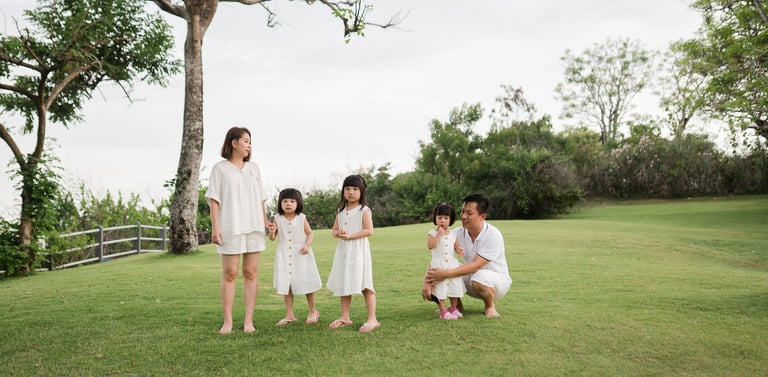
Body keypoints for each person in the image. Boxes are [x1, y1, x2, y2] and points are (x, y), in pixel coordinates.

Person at [205, 126, 272, 334]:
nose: (249, 145)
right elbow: (214, 201)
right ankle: (228, 321)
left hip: (253, 227)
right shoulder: (220, 169)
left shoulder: (254, 169)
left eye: (250, 142)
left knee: (251, 272)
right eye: (246, 141)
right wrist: (215, 228)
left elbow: (261, 200)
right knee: (230, 273)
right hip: (230, 226)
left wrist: (266, 222)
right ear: (234, 143)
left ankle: (248, 321)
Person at [423, 194, 512, 318]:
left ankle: (490, 306)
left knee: (477, 275)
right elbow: (440, 257)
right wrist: (426, 283)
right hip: (472, 278)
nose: (463, 216)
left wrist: (446, 274)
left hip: (496, 283)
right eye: (462, 211)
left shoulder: (493, 235)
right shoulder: (457, 233)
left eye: (469, 213)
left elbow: (476, 266)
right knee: (447, 265)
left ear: (482, 216)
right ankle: (456, 307)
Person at [326, 174, 380, 333]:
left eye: (355, 189)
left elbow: (369, 230)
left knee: (365, 284)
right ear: (343, 191)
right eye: (347, 188)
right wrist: (338, 233)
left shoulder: (364, 210)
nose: (351, 192)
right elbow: (334, 229)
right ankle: (345, 317)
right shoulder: (340, 210)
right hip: (343, 252)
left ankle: (372, 319)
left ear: (362, 191)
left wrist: (350, 236)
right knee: (344, 283)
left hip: (358, 251)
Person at [268, 188, 322, 326]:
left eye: (292, 201)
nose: (288, 204)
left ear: (298, 203)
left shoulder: (301, 218)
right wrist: (272, 232)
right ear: (280, 203)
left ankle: (312, 311)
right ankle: (289, 315)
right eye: (285, 201)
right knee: (287, 285)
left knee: (307, 282)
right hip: (284, 255)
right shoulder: (277, 218)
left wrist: (307, 245)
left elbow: (310, 233)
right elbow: (273, 239)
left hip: (301, 255)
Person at [425, 202, 466, 320]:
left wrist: (459, 249)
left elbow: (455, 246)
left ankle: (454, 308)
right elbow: (430, 245)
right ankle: (443, 311)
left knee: (454, 286)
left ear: (451, 219)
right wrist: (439, 235)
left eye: (446, 218)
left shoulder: (453, 233)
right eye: (440, 217)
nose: (443, 221)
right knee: (440, 288)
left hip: (452, 265)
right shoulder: (432, 233)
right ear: (435, 218)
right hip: (439, 265)